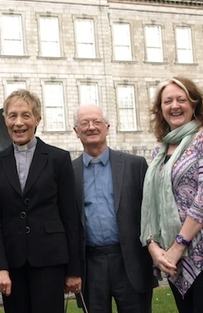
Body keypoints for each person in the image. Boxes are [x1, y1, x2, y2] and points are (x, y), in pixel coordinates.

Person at [140, 77, 203, 313]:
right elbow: (151, 205)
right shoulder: (159, 150)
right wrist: (154, 247)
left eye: (181, 99)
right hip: (174, 258)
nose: (174, 105)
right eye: (167, 101)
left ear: (193, 105)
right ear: (160, 109)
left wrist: (178, 246)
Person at [0, 89, 81, 313]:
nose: (19, 123)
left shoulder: (58, 158)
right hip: (13, 262)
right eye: (12, 116)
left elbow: (70, 216)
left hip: (50, 260)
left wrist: (74, 269)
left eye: (26, 115)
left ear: (37, 119)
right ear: (5, 120)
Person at [72, 104, 157, 313]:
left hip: (131, 261)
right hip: (91, 265)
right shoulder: (67, 172)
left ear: (107, 127)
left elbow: (151, 213)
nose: (91, 127)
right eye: (84, 123)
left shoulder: (135, 166)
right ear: (76, 131)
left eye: (97, 122)